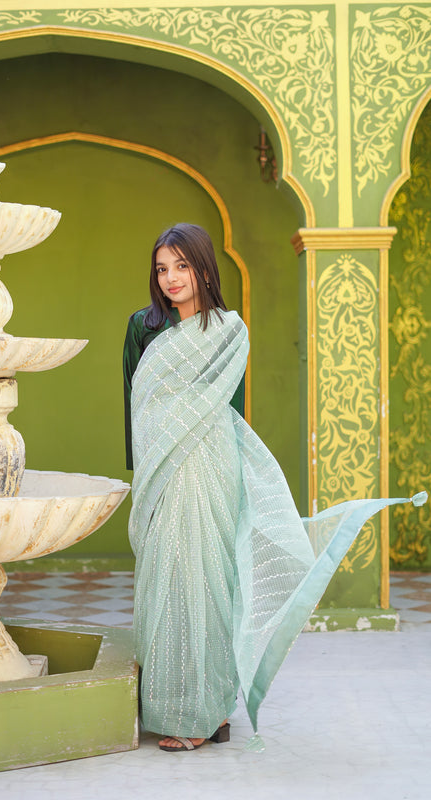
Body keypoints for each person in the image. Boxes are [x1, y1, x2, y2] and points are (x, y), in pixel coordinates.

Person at [123, 222, 426, 753]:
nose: (171, 278)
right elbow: (136, 408)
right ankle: (172, 705)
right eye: (162, 268)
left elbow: (228, 409)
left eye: (182, 266)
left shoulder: (230, 329)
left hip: (212, 463)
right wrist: (143, 474)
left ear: (204, 268)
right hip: (161, 469)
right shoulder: (142, 328)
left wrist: (238, 476)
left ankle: (206, 712)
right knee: (163, 581)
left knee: (209, 581)